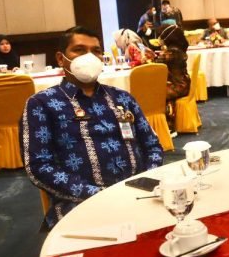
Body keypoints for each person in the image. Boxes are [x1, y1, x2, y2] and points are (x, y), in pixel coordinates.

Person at [20, 26, 163, 228]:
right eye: (79, 50)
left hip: (140, 196)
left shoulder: (122, 98)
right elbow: (39, 166)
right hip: (81, 205)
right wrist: (98, 195)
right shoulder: (42, 104)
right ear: (61, 59)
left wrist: (147, 180)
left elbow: (152, 145)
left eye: (96, 51)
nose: (89, 57)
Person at [154, 23, 191, 134]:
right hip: (183, 83)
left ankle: (168, 126)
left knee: (156, 93)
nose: (159, 39)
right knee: (160, 88)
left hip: (179, 86)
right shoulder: (177, 49)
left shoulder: (173, 52)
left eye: (160, 36)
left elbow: (158, 63)